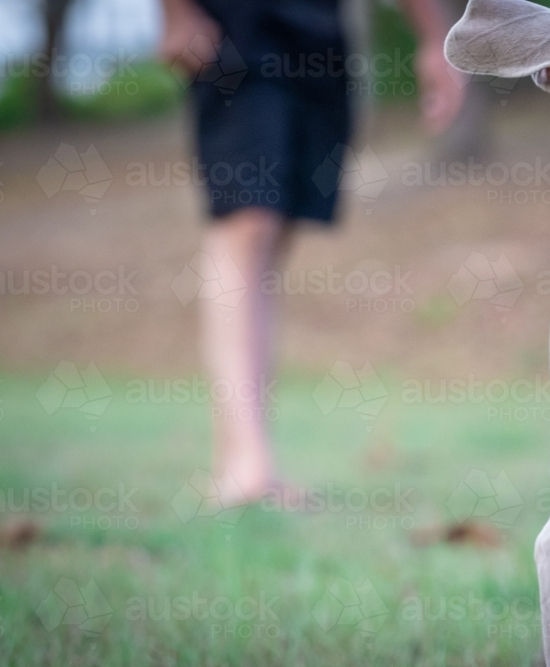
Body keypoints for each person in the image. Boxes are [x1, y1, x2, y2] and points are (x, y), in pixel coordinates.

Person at [159, 0, 465, 505]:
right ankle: (245, 467)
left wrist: (436, 38)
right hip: (235, 24)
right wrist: (173, 12)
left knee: (274, 232)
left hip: (320, 33)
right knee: (248, 222)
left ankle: (248, 456)